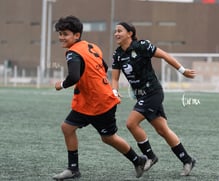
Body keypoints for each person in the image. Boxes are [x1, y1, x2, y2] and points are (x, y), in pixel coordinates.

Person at [52, 16, 147, 180]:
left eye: (65, 34)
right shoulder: (91, 46)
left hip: (99, 103)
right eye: (60, 33)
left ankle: (138, 160)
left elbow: (73, 77)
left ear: (76, 35)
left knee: (108, 138)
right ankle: (73, 169)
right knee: (67, 128)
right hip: (91, 101)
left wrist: (61, 84)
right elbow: (103, 66)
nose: (61, 37)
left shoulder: (73, 53)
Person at [111, 22, 196, 176]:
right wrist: (114, 92)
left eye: (119, 31)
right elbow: (115, 78)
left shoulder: (142, 46)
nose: (116, 34)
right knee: (162, 130)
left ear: (130, 33)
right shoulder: (117, 54)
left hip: (153, 92)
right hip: (141, 95)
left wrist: (182, 71)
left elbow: (164, 55)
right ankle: (187, 160)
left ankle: (150, 156)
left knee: (131, 123)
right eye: (115, 31)